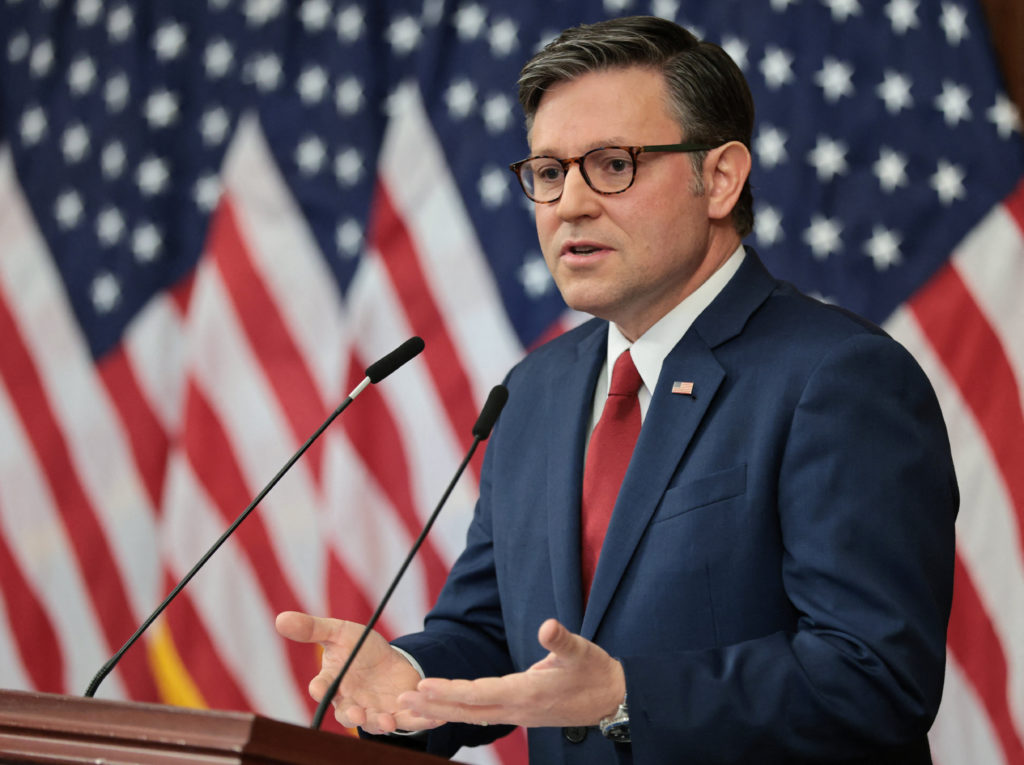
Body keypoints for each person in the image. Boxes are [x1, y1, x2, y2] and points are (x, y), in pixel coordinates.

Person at [276, 15, 957, 764]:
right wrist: (404, 679)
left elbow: (874, 676)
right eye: (547, 171)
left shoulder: (838, 378)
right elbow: (494, 633)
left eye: (611, 164)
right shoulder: (536, 391)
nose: (569, 203)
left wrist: (627, 693)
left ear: (720, 178)